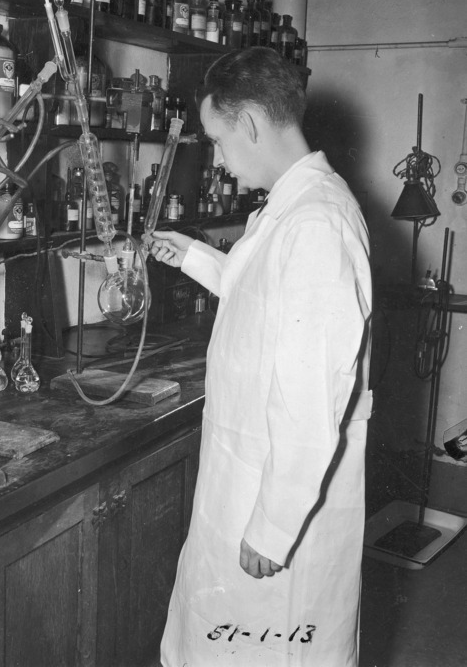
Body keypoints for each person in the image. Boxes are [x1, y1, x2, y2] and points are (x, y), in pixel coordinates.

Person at [151, 47, 372, 667]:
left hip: (277, 504)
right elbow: (265, 299)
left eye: (217, 139)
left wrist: (275, 527)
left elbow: (311, 394)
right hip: (245, 477)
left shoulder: (317, 223)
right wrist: (193, 255)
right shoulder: (291, 208)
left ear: (249, 122)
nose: (217, 157)